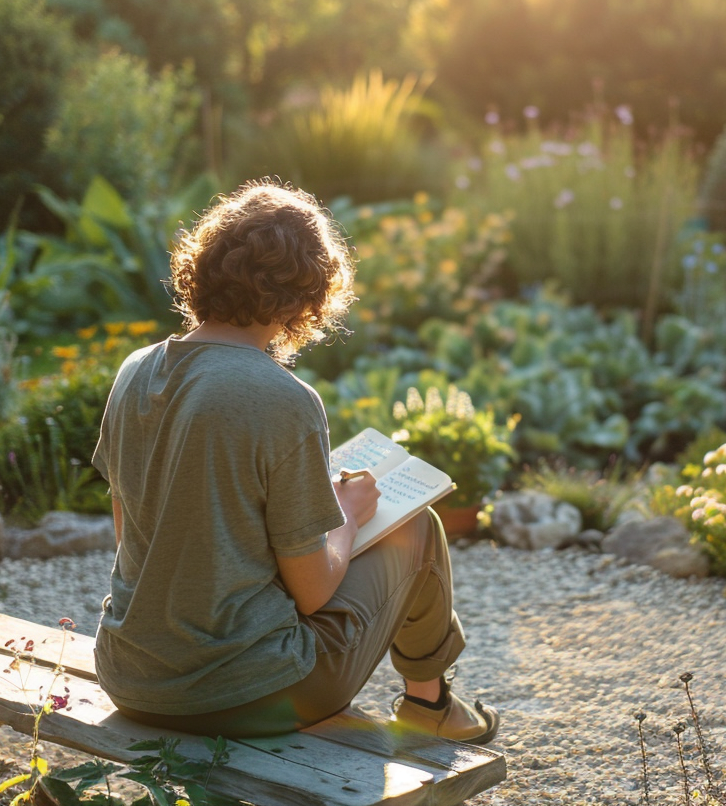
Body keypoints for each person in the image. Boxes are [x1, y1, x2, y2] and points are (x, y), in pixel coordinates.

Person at [91, 180, 499, 742]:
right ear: (307, 297)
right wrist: (348, 512)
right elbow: (313, 592)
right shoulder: (284, 398)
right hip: (246, 694)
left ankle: (432, 707)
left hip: (130, 677)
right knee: (420, 531)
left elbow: (133, 535)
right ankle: (430, 707)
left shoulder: (135, 370)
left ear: (203, 267)